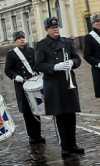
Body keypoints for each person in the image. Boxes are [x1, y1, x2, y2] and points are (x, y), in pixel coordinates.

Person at [35, 17, 85, 157]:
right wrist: (54, 67)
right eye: (52, 28)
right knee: (60, 116)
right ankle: (64, 146)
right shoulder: (42, 45)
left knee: (71, 114)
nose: (55, 29)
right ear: (46, 30)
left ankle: (73, 144)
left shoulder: (67, 42)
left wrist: (72, 63)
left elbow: (77, 58)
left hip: (68, 82)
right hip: (53, 84)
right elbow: (38, 65)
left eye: (57, 27)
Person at [4, 30, 44, 144]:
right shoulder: (11, 54)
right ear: (15, 41)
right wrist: (17, 77)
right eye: (19, 38)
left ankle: (38, 134)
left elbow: (36, 65)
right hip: (22, 85)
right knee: (27, 111)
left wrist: (38, 72)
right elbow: (8, 70)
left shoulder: (31, 51)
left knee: (36, 108)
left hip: (33, 83)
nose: (22, 39)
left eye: (23, 37)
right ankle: (31, 135)